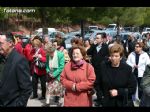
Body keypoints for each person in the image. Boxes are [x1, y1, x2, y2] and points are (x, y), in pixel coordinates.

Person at [0, 32, 32, 107]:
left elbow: (26, 89)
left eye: (1, 43)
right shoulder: (1, 58)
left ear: (10, 43)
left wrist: (18, 104)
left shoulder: (20, 60)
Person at [87, 34, 109, 106]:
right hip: (94, 69)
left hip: (102, 69)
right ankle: (99, 98)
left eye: (98, 38)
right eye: (96, 38)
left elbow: (108, 57)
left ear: (102, 39)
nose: (96, 39)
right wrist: (93, 44)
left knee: (100, 84)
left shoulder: (106, 47)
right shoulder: (94, 46)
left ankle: (101, 99)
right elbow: (88, 52)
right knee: (96, 84)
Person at [43, 42, 65, 107]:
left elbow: (61, 66)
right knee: (48, 88)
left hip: (58, 74)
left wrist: (54, 74)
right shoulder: (47, 55)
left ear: (54, 51)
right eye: (49, 54)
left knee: (58, 89)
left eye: (51, 53)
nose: (50, 55)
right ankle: (47, 103)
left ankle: (59, 102)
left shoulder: (60, 54)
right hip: (50, 74)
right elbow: (47, 65)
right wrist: (48, 71)